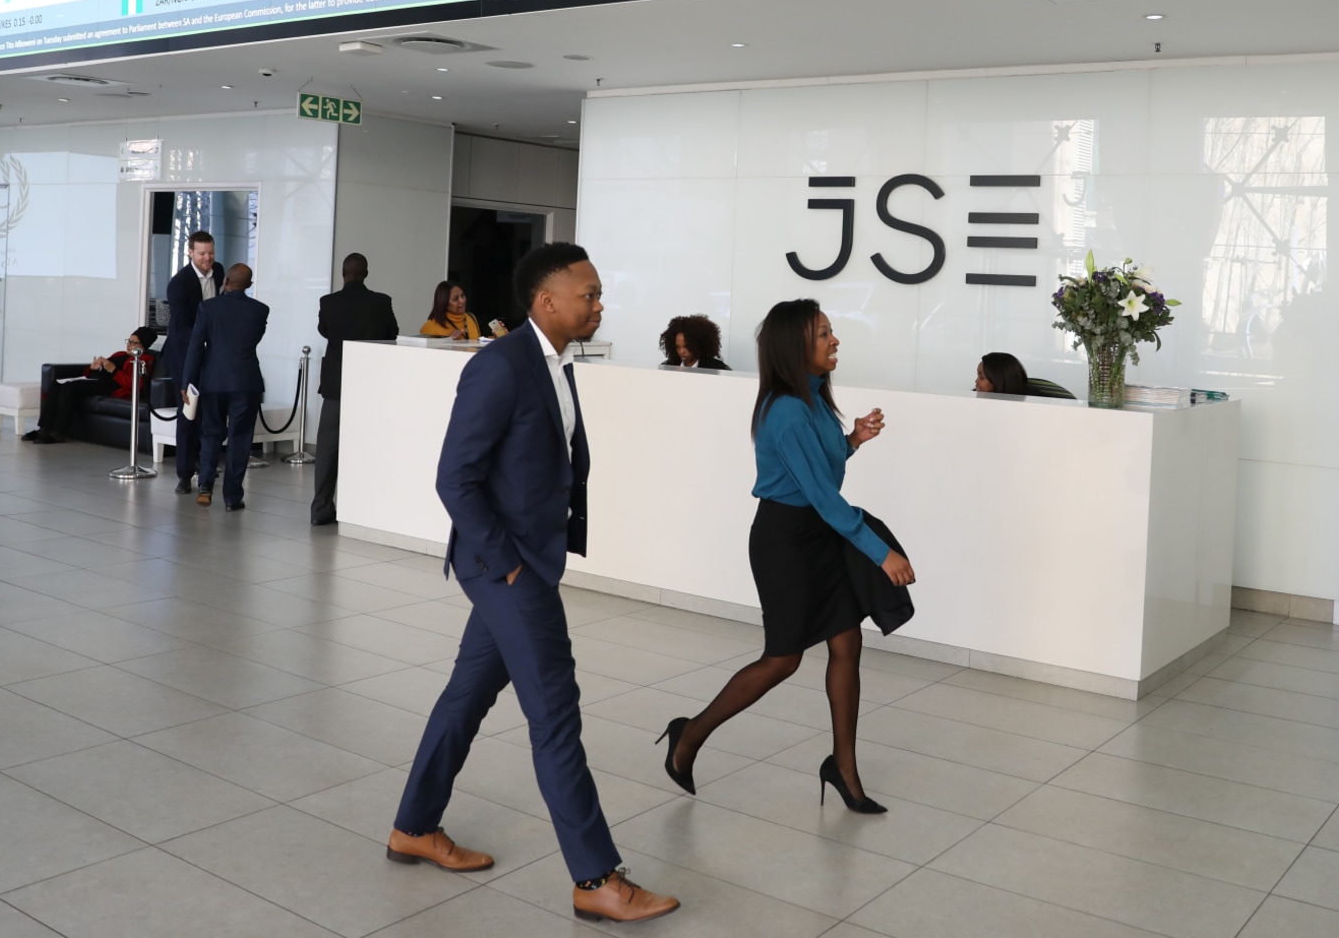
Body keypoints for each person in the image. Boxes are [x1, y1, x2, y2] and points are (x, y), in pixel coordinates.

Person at [388, 243, 678, 925]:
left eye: (599, 294)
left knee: (466, 696)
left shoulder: (556, 362)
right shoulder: (500, 365)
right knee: (555, 714)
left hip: (525, 561)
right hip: (507, 568)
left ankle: (413, 826)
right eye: (589, 295)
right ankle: (595, 878)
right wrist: (508, 562)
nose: (599, 305)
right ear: (547, 302)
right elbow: (454, 477)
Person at [658, 298, 915, 814]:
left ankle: (844, 769)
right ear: (795, 346)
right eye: (823, 334)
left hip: (819, 533)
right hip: (787, 542)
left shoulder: (812, 398)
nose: (834, 340)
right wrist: (880, 552)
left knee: (847, 643)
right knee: (782, 660)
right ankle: (690, 733)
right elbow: (821, 496)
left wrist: (853, 440)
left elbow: (821, 471)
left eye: (830, 331)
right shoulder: (787, 410)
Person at [314, 252, 399, 527]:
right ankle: (362, 509)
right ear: (366, 274)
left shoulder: (328, 302)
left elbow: (325, 330)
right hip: (370, 385)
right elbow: (392, 334)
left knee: (327, 449)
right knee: (367, 447)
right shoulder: (381, 302)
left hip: (335, 386)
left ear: (343, 273)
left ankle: (321, 509)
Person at [182, 263, 269, 512]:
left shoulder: (208, 308)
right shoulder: (260, 310)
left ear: (226, 282)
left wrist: (187, 382)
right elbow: (253, 340)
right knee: (240, 439)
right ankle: (232, 497)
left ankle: (205, 485)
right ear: (249, 285)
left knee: (211, 434)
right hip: (246, 382)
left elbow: (196, 347)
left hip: (213, 381)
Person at [157, 231, 220, 494]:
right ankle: (184, 474)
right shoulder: (179, 283)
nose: (208, 258)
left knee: (210, 414)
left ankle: (205, 465)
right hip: (185, 355)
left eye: (211, 253)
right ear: (190, 253)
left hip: (213, 356)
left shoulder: (219, 272)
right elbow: (182, 327)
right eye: (202, 253)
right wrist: (204, 341)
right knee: (188, 413)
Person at [23, 328, 156, 444]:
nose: (129, 345)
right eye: (129, 341)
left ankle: (58, 432)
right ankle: (44, 429)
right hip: (101, 381)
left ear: (143, 345)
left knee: (70, 388)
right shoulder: (120, 354)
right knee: (56, 385)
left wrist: (114, 370)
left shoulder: (144, 360)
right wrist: (93, 368)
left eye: (134, 342)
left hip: (115, 388)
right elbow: (96, 372)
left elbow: (135, 385)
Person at [419, 280, 505, 341]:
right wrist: (447, 340)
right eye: (455, 299)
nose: (462, 301)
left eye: (462, 295)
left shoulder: (470, 317)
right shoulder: (430, 326)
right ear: (444, 303)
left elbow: (477, 343)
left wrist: (497, 338)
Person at [659, 314, 731, 370]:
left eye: (686, 347)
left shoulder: (716, 368)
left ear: (698, 345)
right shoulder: (668, 367)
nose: (681, 351)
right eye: (678, 347)